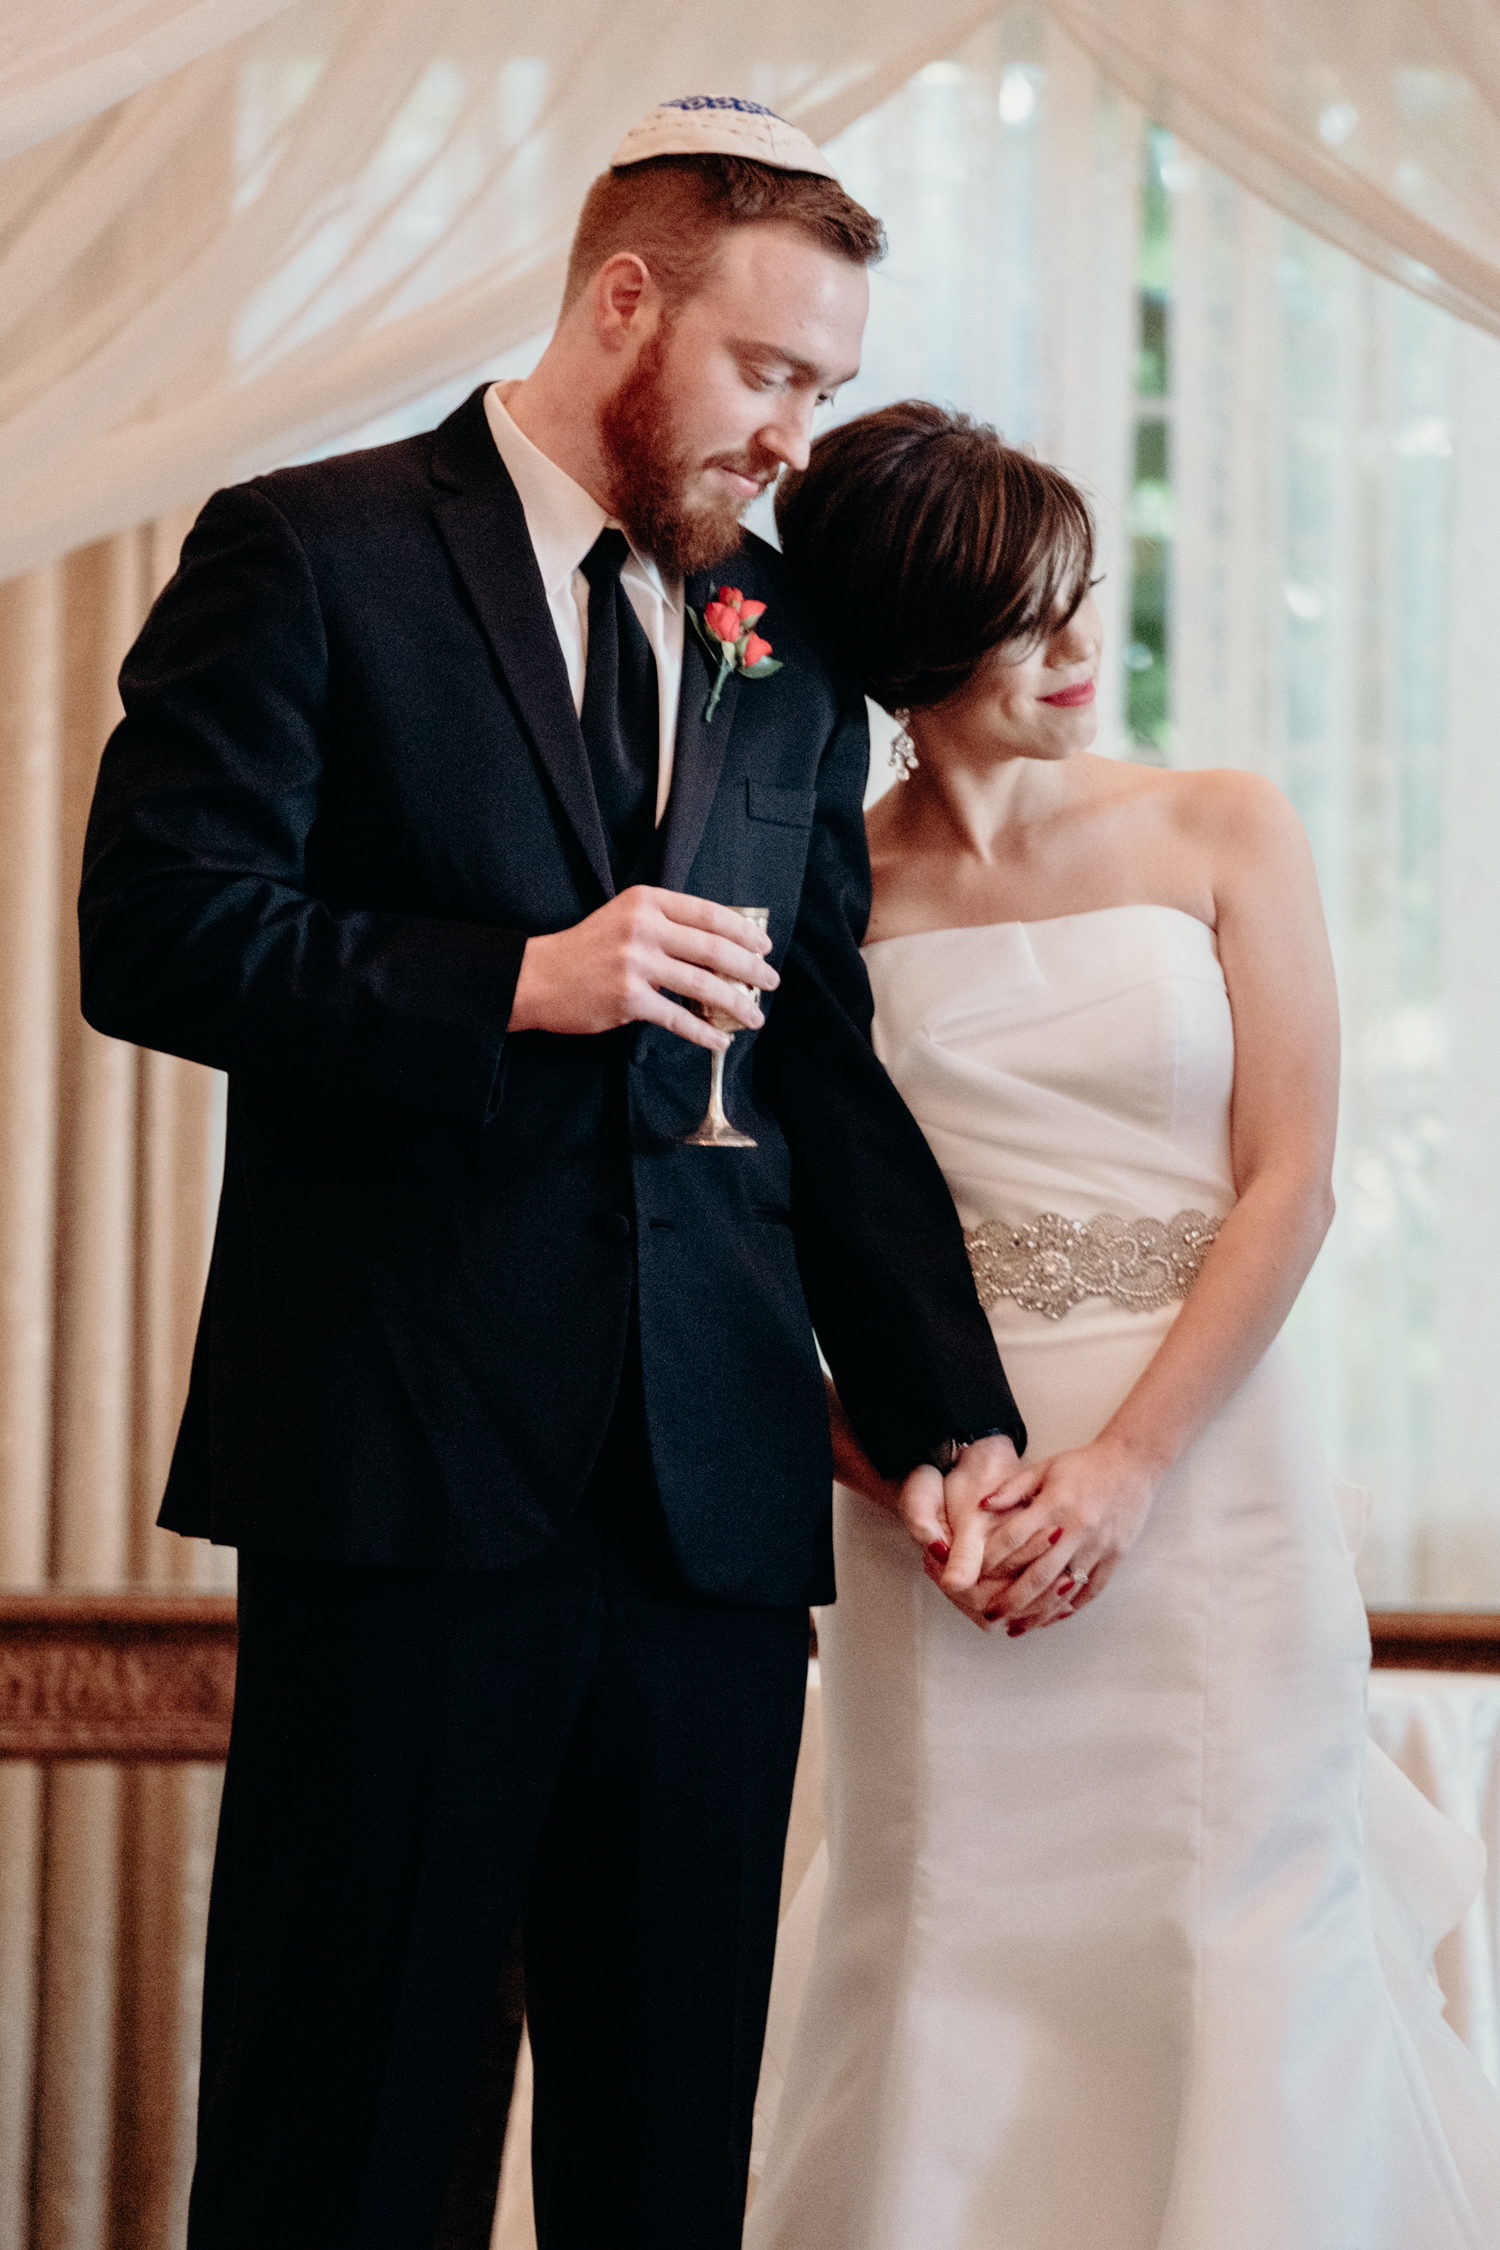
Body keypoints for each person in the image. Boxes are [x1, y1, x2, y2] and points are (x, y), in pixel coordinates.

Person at [76, 121, 1027, 2250]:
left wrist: (951, 1408)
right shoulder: (308, 552)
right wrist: (512, 981)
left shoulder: (784, 639)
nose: (796, 436)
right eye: (769, 372)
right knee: (348, 2134)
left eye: (824, 388)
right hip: (403, 1478)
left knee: (664, 2153)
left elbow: (823, 1068)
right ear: (624, 303)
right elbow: (148, 930)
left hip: (709, 1504)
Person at [746, 401, 1500, 2249]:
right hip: (947, 1524)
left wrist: (1131, 1468)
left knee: (1236, 1926)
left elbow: (1293, 1177)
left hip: (1211, 1484)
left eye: (1086, 598)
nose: (1088, 650)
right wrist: (910, 1481)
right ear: (914, 656)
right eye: (1031, 619)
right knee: (944, 1935)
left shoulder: (1223, 822)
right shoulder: (825, 886)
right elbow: (779, 1243)